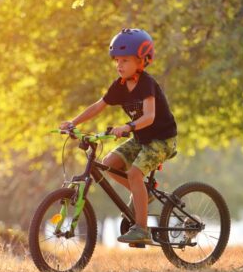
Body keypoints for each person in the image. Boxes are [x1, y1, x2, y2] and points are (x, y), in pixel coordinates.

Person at [59, 28, 177, 244]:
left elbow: (149, 116)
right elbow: (98, 106)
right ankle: (143, 194)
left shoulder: (146, 84)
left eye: (125, 60)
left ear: (142, 61)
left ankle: (142, 229)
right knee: (109, 164)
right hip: (141, 138)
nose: (119, 65)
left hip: (161, 140)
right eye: (117, 60)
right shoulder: (120, 86)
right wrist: (73, 123)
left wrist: (128, 127)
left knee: (134, 174)